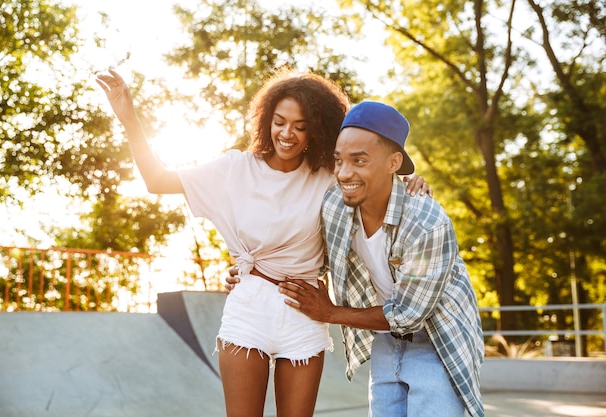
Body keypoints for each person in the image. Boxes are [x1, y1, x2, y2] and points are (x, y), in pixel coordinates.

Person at [96, 69, 430, 417]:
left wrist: (409, 181)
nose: (287, 133)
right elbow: (157, 180)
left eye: (300, 125)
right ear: (265, 119)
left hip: (303, 312)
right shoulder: (235, 169)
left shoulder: (327, 177)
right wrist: (129, 118)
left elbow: (372, 180)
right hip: (250, 307)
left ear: (315, 128)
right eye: (279, 121)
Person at [278, 101, 484, 416]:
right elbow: (308, 255)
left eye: (359, 160)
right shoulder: (334, 204)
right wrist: (246, 266)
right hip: (385, 343)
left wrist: (331, 313)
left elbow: (407, 314)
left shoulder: (427, 224)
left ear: (394, 163)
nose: (345, 173)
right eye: (339, 160)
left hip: (438, 342)